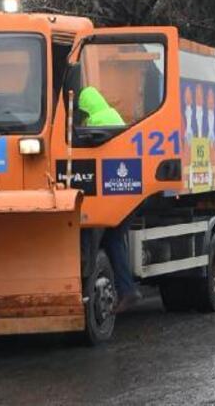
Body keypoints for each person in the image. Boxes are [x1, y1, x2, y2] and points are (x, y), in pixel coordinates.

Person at [78, 86, 141, 314]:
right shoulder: (112, 115)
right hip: (127, 192)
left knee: (112, 239)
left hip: (110, 193)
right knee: (115, 238)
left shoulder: (93, 122)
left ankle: (127, 290)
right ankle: (125, 289)